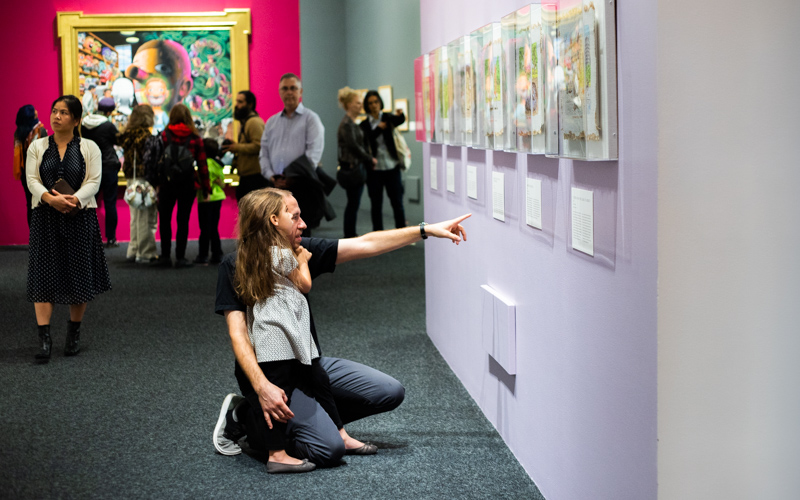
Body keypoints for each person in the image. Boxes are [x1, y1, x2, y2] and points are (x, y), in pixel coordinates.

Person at [213, 187, 470, 472]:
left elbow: (366, 244)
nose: (303, 224)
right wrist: (262, 387)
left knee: (389, 391)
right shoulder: (235, 265)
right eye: (295, 217)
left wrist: (426, 230)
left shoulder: (299, 251)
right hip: (271, 373)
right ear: (272, 220)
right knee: (327, 450)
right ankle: (247, 417)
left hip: (307, 362)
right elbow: (238, 335)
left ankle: (312, 423)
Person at [25, 95, 112, 363]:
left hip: (79, 217)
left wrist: (73, 200)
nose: (56, 116)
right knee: (43, 277)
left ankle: (73, 333)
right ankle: (44, 340)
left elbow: (94, 181)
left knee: (78, 276)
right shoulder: (37, 146)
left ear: (76, 119)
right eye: (54, 111)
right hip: (45, 217)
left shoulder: (90, 147)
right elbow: (31, 179)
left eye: (63, 112)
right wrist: (50, 199)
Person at [259, 73, 326, 235]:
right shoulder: (272, 122)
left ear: (300, 91)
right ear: (279, 92)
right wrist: (272, 176)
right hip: (275, 187)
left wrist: (292, 177)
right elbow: (264, 153)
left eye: (293, 88)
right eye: (285, 88)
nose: (289, 92)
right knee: (275, 234)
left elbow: (313, 155)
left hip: (301, 186)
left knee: (301, 235)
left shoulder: (311, 119)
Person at [152, 103, 210, 269]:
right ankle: (180, 257)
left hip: (167, 183)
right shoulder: (195, 138)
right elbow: (202, 165)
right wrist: (206, 188)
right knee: (183, 220)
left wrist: (156, 184)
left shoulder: (164, 135)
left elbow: (157, 161)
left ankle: (165, 256)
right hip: (188, 184)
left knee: (165, 220)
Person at [118, 104, 161, 264]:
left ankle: (133, 249)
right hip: (144, 180)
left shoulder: (127, 135)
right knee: (146, 217)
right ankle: (145, 253)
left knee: (135, 216)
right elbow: (150, 161)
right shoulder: (147, 136)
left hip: (131, 179)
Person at [360, 90, 407, 231]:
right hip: (374, 169)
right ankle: (378, 234)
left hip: (392, 165)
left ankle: (402, 232)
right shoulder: (364, 125)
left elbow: (399, 121)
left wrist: (401, 114)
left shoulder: (387, 117)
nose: (374, 105)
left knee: (397, 201)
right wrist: (378, 129)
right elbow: (366, 139)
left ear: (380, 103)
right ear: (367, 106)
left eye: (376, 102)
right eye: (370, 103)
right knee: (376, 204)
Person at [81, 97, 121, 247]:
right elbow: (118, 141)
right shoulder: (108, 126)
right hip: (108, 166)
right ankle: (111, 238)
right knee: (110, 203)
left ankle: (88, 237)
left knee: (89, 204)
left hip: (92, 166)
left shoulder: (85, 123)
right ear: (109, 112)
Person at [337, 87, 376, 238]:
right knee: (353, 204)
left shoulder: (351, 123)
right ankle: (349, 235)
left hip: (355, 168)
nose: (361, 106)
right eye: (357, 103)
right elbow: (354, 146)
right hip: (352, 170)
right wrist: (369, 158)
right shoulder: (347, 124)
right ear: (349, 105)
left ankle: (350, 233)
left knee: (353, 203)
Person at [222, 90, 267, 201]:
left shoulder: (254, 122)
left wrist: (237, 147)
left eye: (240, 102)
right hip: (247, 177)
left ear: (250, 104)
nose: (236, 105)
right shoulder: (245, 122)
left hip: (255, 178)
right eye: (236, 101)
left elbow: (259, 146)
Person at [14, 105, 48, 227]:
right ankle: (41, 235)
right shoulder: (40, 131)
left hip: (25, 175)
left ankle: (33, 235)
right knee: (42, 205)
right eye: (34, 111)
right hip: (39, 176)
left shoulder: (19, 133)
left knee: (30, 204)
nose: (37, 112)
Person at [194, 139, 226, 265]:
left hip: (205, 198)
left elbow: (201, 180)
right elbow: (222, 183)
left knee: (204, 228)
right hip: (218, 197)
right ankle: (217, 254)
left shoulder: (204, 164)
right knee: (214, 227)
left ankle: (203, 256)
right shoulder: (218, 165)